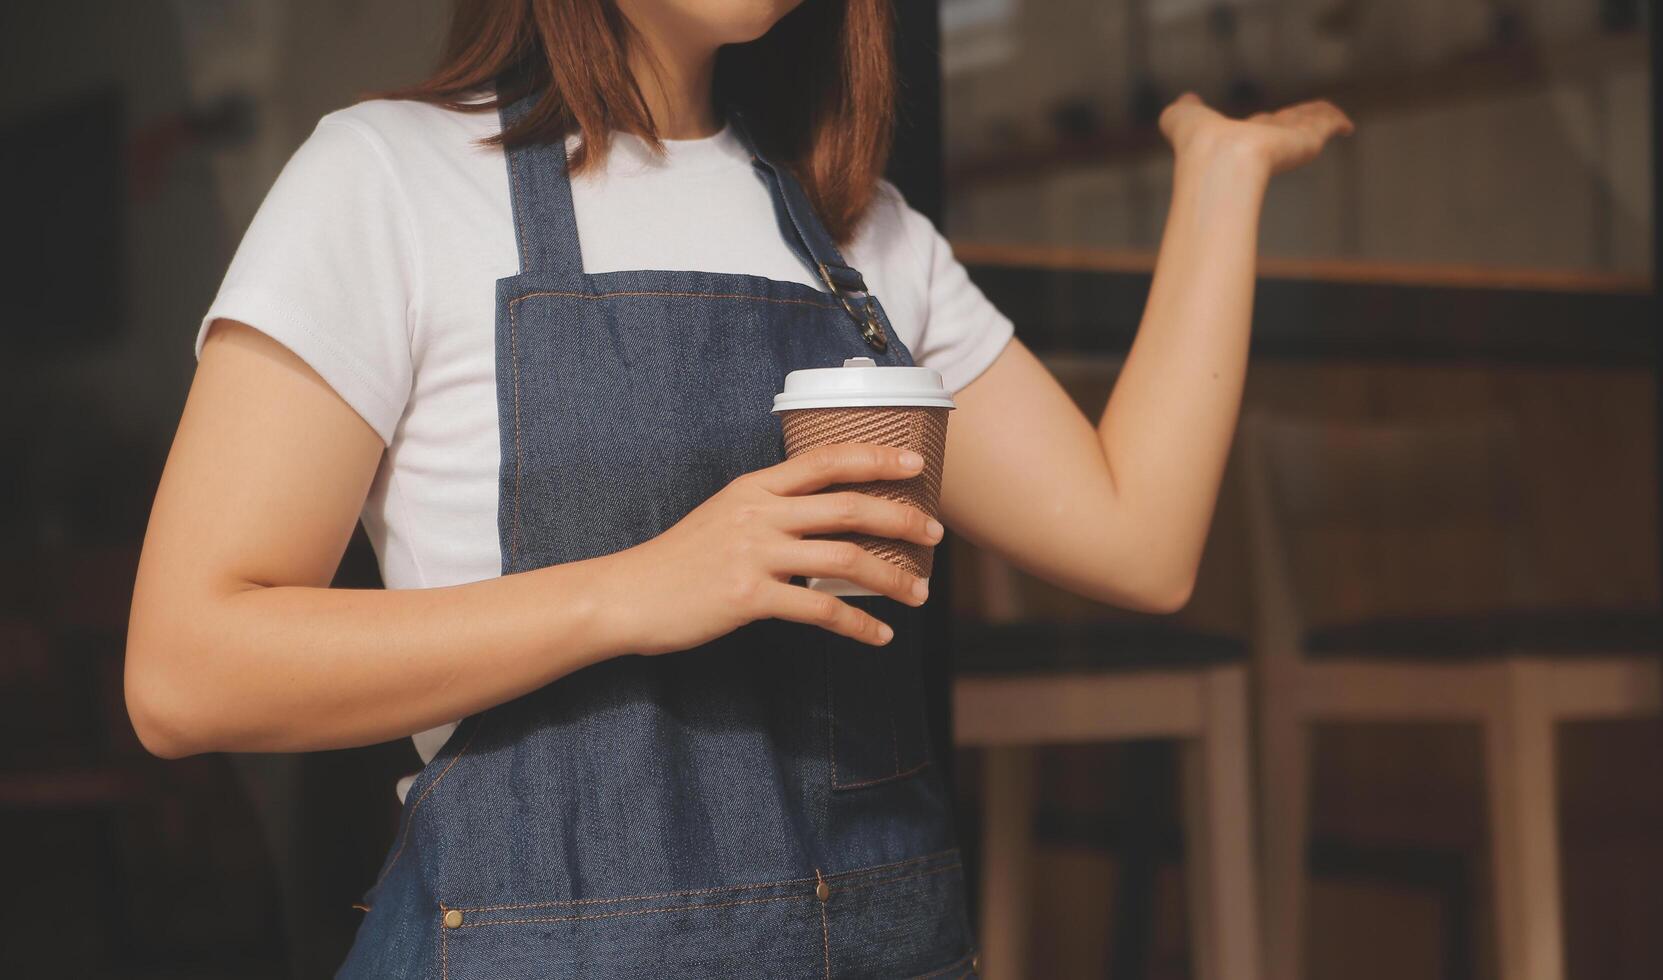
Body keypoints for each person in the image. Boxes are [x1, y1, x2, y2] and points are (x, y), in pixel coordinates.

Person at [124, 0, 1353, 975]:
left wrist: (1221, 177)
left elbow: (1140, 540)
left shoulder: (863, 236)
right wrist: (640, 588)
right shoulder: (388, 178)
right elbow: (189, 669)